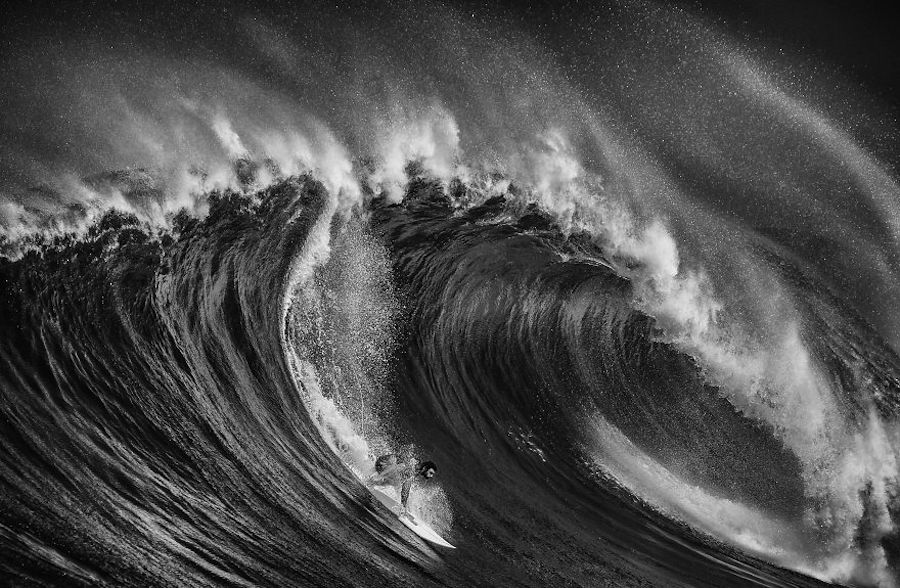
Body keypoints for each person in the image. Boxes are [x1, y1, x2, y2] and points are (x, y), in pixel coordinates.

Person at [365, 454, 437, 517]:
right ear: (425, 468)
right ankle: (370, 480)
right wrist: (403, 506)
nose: (431, 476)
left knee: (396, 482)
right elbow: (406, 486)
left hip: (386, 466)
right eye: (430, 473)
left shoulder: (415, 469)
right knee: (394, 479)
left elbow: (404, 486)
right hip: (385, 464)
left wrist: (404, 505)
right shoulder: (414, 466)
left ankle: (371, 472)